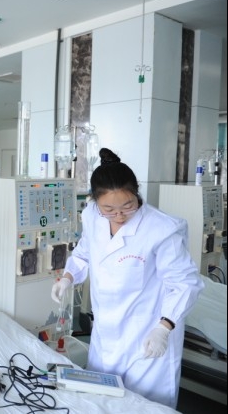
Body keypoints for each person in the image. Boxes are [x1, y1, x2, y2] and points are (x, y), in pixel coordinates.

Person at [50, 147, 204, 409]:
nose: (119, 216)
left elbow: (185, 284)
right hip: (106, 334)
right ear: (95, 201)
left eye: (128, 206)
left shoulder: (162, 229)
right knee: (102, 401)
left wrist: (163, 328)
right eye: (109, 209)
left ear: (137, 193)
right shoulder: (91, 216)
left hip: (147, 336)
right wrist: (68, 276)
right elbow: (85, 252)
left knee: (146, 406)